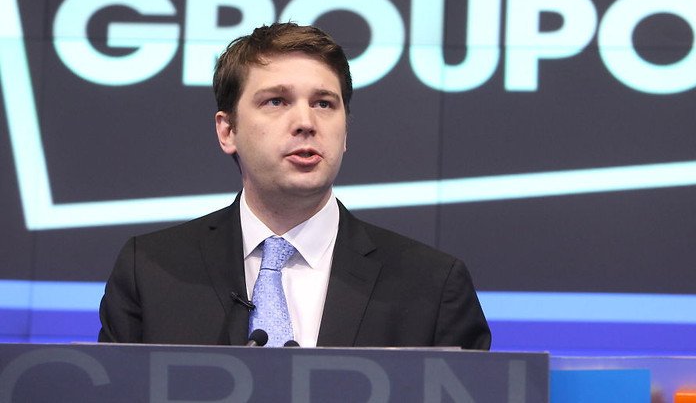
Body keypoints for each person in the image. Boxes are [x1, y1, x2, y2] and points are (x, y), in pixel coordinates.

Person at [98, 22, 491, 349]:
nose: (306, 122)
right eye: (276, 101)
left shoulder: (432, 286)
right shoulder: (150, 271)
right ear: (228, 130)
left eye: (324, 104)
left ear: (345, 131)